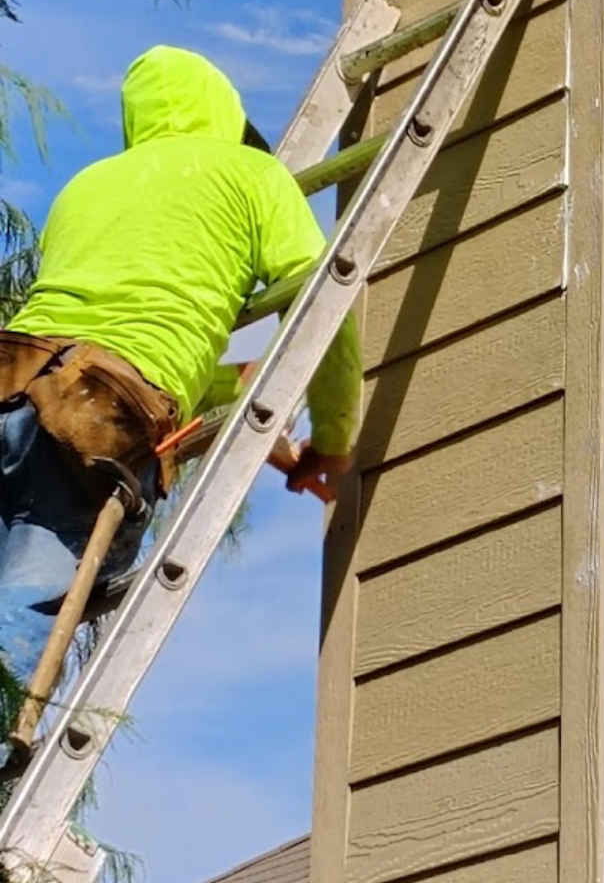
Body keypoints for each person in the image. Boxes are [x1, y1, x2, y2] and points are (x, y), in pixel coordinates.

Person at [0, 44, 361, 698]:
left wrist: (264, 429)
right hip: (92, 422)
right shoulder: (252, 176)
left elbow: (111, 339)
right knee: (16, 630)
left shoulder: (86, 186)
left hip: (13, 379)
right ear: (220, 111)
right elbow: (323, 299)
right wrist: (332, 443)